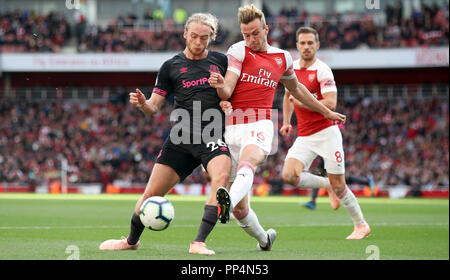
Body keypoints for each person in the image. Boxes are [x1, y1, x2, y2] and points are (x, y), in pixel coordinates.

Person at [209, 4, 346, 251]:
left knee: (248, 161)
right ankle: (264, 239)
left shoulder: (282, 58)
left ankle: (226, 204)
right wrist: (220, 86)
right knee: (242, 211)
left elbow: (297, 90)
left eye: (255, 33)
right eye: (246, 34)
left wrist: (326, 111)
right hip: (232, 127)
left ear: (266, 29)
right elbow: (228, 88)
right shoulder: (238, 50)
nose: (251, 39)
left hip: (261, 122)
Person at [99, 13, 231, 255]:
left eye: (204, 37)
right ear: (185, 34)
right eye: (193, 36)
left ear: (211, 37)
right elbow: (154, 107)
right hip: (180, 138)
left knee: (221, 178)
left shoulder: (222, 61)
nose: (198, 42)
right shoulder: (171, 66)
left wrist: (227, 99)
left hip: (211, 135)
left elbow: (232, 92)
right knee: (150, 194)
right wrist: (142, 104)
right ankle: (130, 241)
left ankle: (198, 243)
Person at [279, 26, 371, 239]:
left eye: (310, 43)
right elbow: (287, 95)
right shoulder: (291, 69)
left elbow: (330, 103)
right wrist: (286, 121)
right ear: (297, 45)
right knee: (289, 175)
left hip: (327, 133)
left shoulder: (323, 70)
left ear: (317, 45)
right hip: (305, 136)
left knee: (340, 185)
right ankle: (325, 185)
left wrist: (302, 101)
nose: (306, 46)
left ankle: (360, 225)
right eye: (302, 43)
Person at [300, 157, 375, 210]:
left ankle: (367, 181)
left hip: (332, 167)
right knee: (318, 180)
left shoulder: (325, 147)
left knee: (345, 180)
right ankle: (313, 201)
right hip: (329, 168)